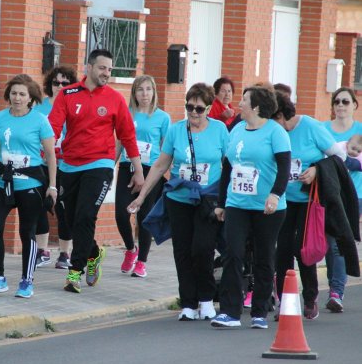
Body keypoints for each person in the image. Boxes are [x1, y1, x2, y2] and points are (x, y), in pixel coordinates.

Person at [128, 83, 228, 320]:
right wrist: (142, 197)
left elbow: (228, 164)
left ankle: (206, 299)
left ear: (209, 108)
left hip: (208, 200)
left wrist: (227, 199)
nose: (193, 113)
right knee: (182, 250)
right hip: (178, 198)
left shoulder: (220, 130)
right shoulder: (176, 131)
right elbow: (161, 164)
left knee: (202, 248)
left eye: (199, 109)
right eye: (189, 107)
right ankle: (188, 303)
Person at [49, 48, 144, 293]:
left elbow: (127, 135)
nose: (107, 73)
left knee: (85, 215)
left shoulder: (115, 98)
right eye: (102, 68)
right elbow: (53, 128)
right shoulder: (68, 94)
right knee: (70, 221)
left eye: (110, 69)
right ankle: (93, 253)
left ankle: (74, 272)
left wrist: (137, 169)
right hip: (69, 165)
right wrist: (45, 152)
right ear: (88, 67)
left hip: (100, 164)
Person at [211, 86, 290, 329]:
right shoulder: (236, 130)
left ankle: (259, 312)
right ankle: (230, 312)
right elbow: (227, 168)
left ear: (256, 106)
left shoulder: (276, 132)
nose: (240, 104)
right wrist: (222, 203)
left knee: (264, 257)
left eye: (244, 100)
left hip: (268, 207)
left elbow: (284, 168)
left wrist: (275, 195)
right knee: (233, 254)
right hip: (237, 204)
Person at [0, 74, 57, 299]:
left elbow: (50, 156)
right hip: (4, 181)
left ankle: (26, 280)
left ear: (31, 97)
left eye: (22, 94)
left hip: (30, 182)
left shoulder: (40, 120)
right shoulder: (0, 118)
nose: (17, 98)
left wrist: (52, 186)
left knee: (27, 232)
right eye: (14, 93)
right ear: (8, 95)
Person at [272, 91, 344, 320]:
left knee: (302, 248)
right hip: (283, 198)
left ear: (282, 115)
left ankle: (310, 297)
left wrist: (315, 169)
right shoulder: (274, 132)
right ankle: (285, 303)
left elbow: (338, 156)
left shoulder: (311, 127)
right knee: (282, 249)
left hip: (307, 200)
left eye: (274, 121)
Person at [116, 75, 170, 278]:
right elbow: (119, 143)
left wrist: (165, 173)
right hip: (127, 166)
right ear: (134, 93)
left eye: (148, 89)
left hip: (151, 169)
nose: (144, 94)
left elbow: (166, 150)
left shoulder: (162, 118)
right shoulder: (127, 114)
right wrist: (107, 167)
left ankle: (142, 262)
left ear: (154, 92)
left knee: (144, 215)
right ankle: (131, 249)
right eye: (140, 89)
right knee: (121, 213)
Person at [34, 65, 78, 269]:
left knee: (63, 208)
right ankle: (42, 251)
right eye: (55, 82)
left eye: (65, 83)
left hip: (66, 164)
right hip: (41, 163)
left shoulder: (75, 106)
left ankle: (64, 253)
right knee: (39, 206)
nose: (59, 86)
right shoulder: (38, 108)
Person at [322, 87, 362, 312]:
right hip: (327, 194)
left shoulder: (360, 131)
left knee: (337, 244)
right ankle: (332, 286)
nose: (340, 105)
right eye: (336, 101)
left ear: (354, 105)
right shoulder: (323, 129)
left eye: (345, 102)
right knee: (326, 244)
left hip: (353, 195)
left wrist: (350, 162)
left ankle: (337, 292)